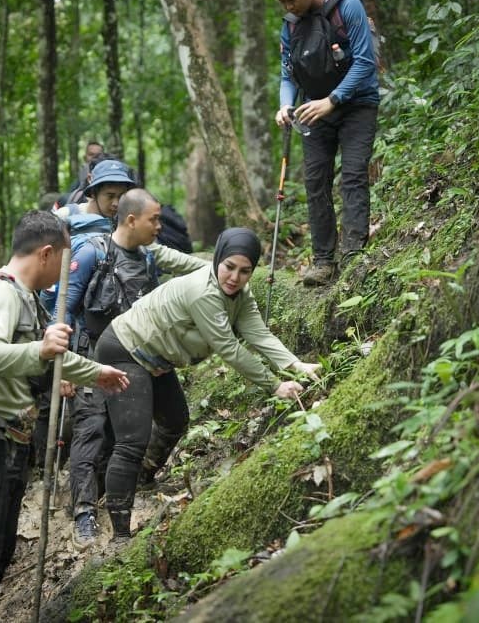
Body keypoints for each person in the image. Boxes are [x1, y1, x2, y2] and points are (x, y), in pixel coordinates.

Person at [0, 210, 129, 622]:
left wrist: (97, 373)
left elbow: (46, 354)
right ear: (46, 253)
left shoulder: (24, 298)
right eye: (64, 261)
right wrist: (39, 350)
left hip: (2, 448)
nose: (66, 272)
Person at [92, 227, 322, 538]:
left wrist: (294, 364)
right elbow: (229, 348)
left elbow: (259, 334)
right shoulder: (203, 292)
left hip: (156, 358)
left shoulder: (241, 295)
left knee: (175, 420)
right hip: (125, 348)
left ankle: (142, 477)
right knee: (132, 440)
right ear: (216, 260)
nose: (234, 277)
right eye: (229, 267)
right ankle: (119, 533)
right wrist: (275, 385)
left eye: (244, 271)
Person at [65, 188, 207, 548]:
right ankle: (84, 514)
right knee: (92, 429)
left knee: (146, 428)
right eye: (154, 219)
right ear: (131, 219)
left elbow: (183, 271)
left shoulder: (148, 256)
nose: (160, 225)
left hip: (140, 351)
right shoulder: (91, 251)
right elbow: (63, 306)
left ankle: (132, 480)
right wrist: (65, 366)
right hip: (93, 354)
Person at [271, 0, 380, 287]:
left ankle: (353, 254)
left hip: (357, 105)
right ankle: (323, 261)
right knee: (315, 182)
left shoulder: (347, 7)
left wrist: (332, 101)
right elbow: (287, 74)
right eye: (283, 3)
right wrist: (286, 105)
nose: (289, 7)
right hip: (313, 111)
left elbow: (365, 62)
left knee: (353, 176)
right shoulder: (290, 26)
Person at [33, 160, 137, 467]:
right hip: (65, 318)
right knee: (64, 404)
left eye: (122, 195)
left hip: (105, 327)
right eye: (110, 195)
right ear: (93, 193)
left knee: (97, 410)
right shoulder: (64, 219)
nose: (116, 202)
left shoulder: (120, 225)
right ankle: (43, 469)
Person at [54, 141, 107, 209]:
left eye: (98, 155)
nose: (95, 157)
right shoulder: (76, 186)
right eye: (91, 154)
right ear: (85, 157)